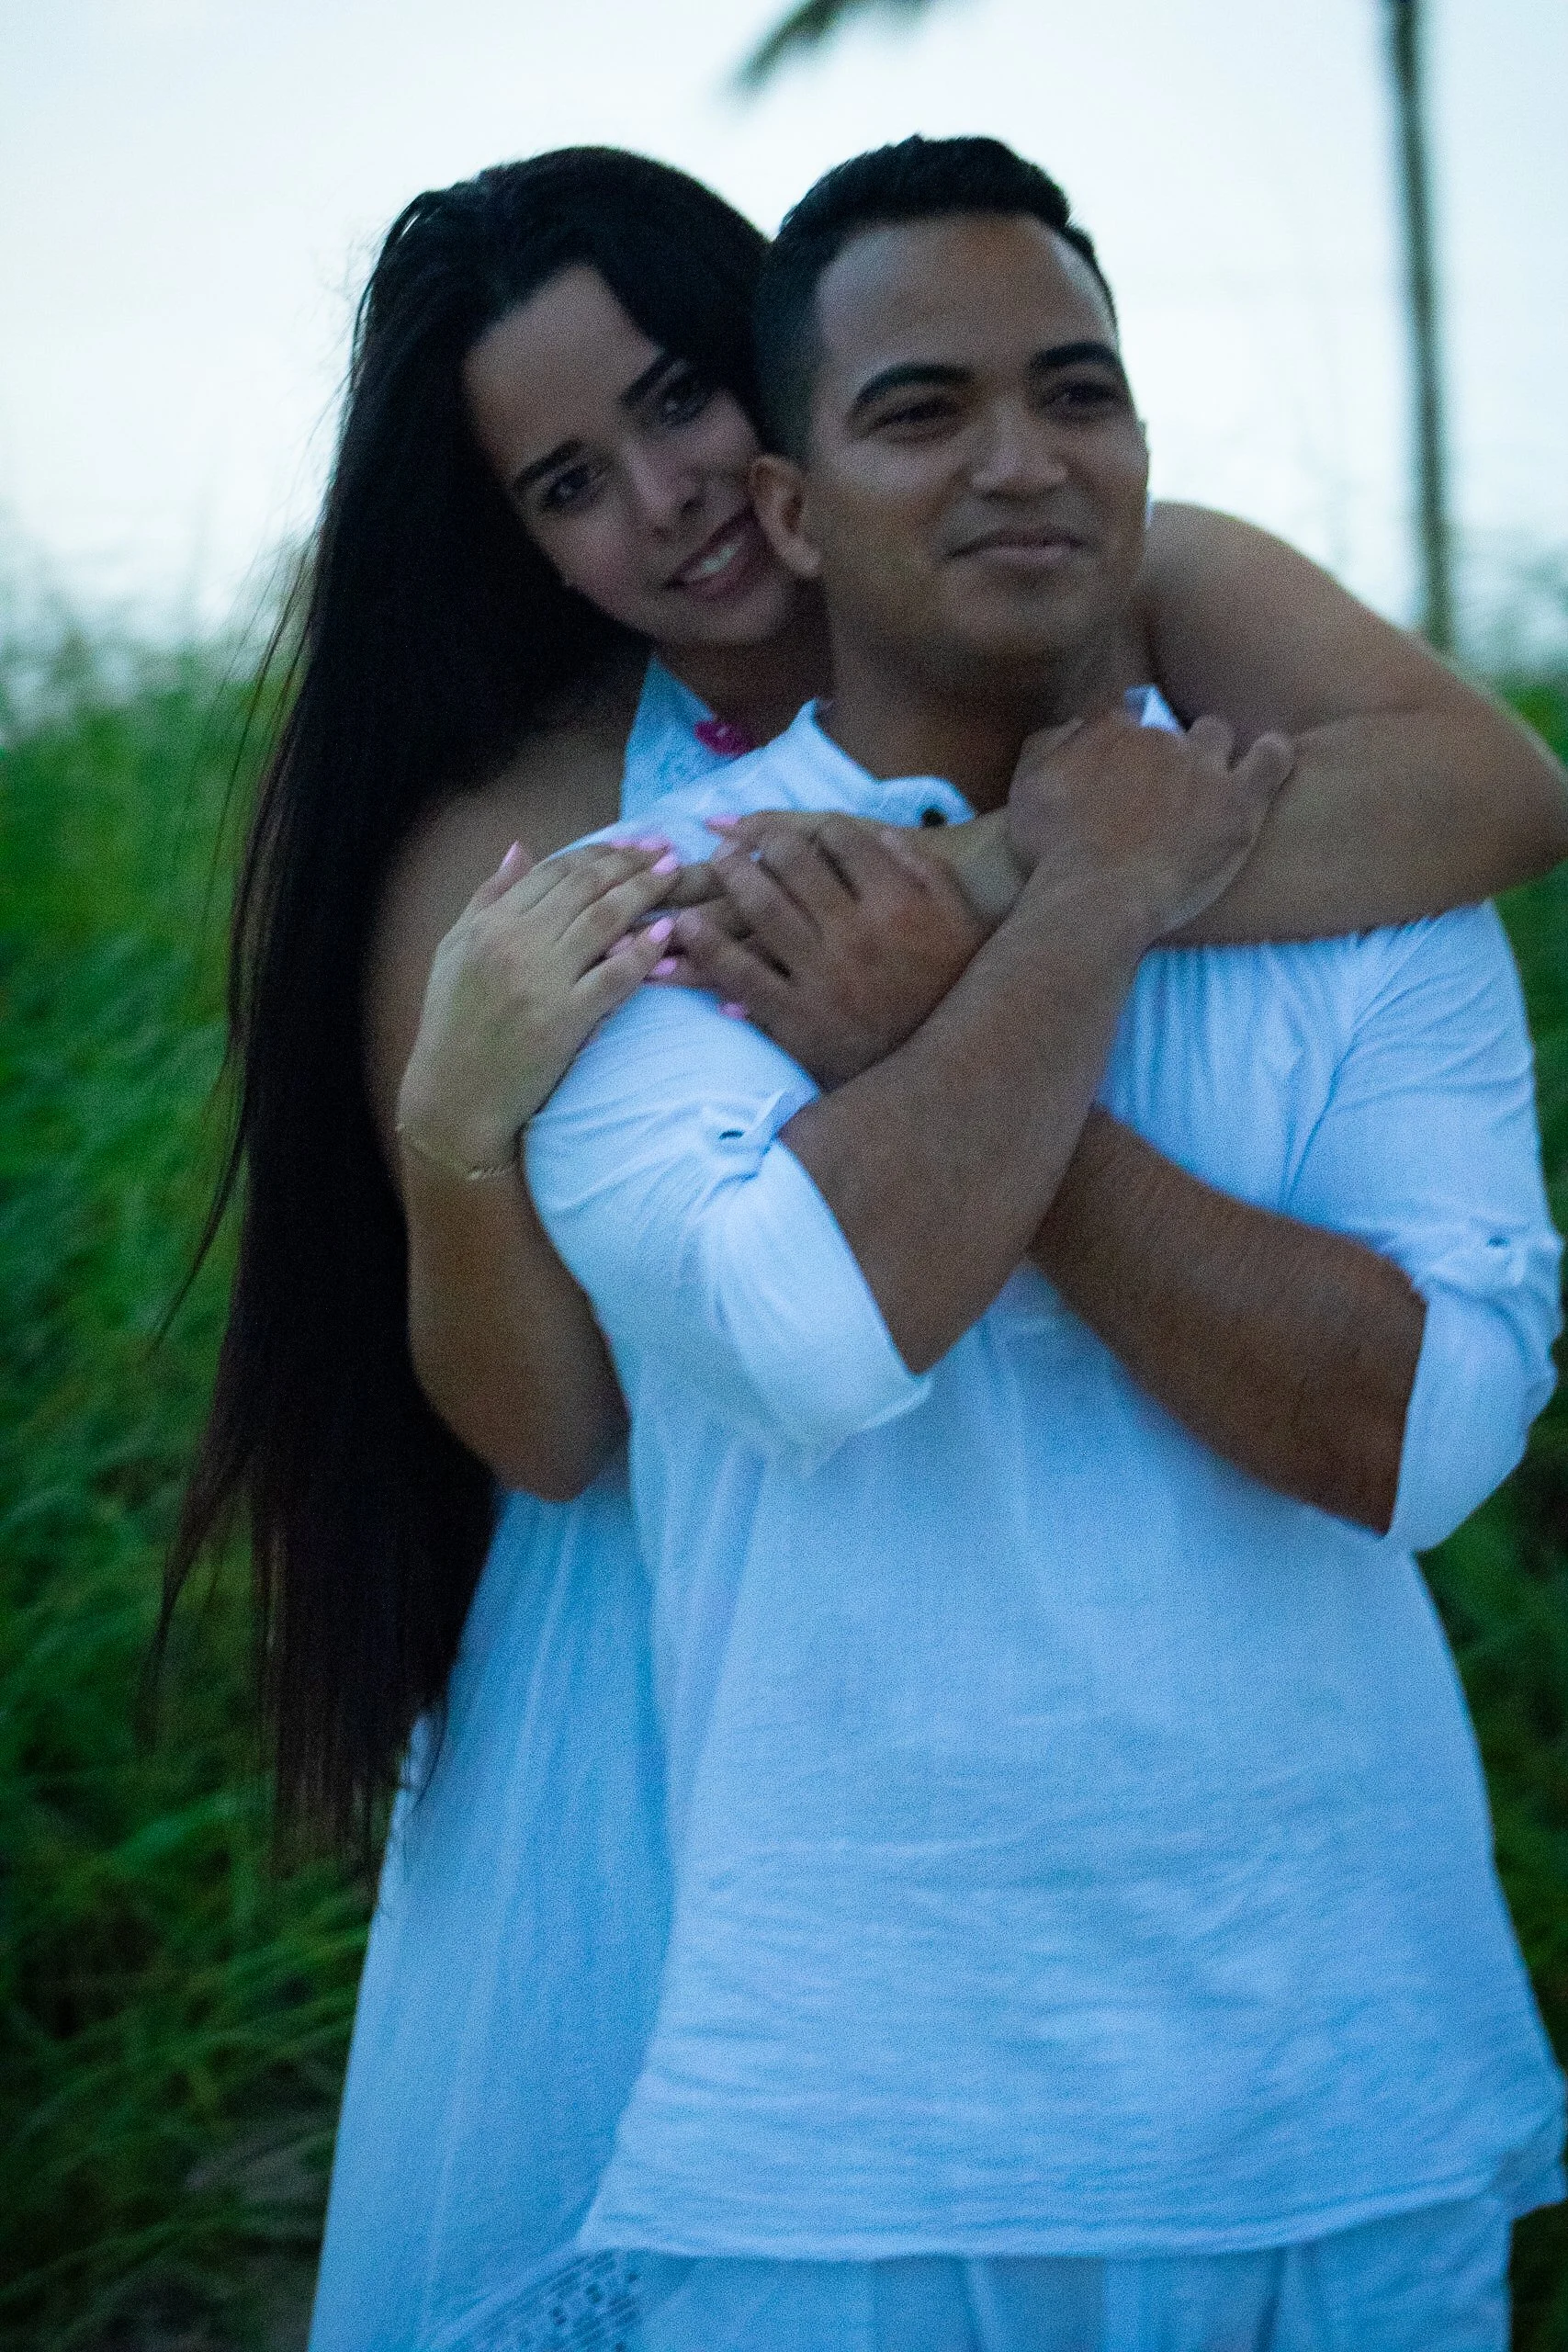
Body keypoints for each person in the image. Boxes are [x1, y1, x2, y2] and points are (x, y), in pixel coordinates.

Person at [162, 150, 1568, 2349]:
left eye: (679, 401)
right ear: (517, 542)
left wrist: (987, 903)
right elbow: (559, 1435)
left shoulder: (1114, 553)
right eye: (568, 483)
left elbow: (1490, 797)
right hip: (698, 1600)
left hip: (1197, 1774)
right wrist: (453, 1136)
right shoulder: (561, 834)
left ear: (784, 392)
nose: (671, 501)